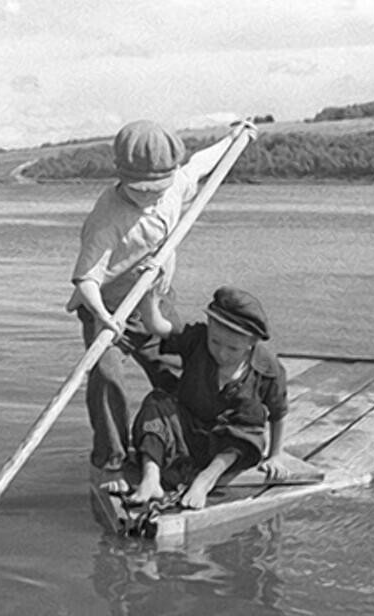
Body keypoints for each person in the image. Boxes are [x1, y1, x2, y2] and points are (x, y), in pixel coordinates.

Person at [68, 118, 257, 495]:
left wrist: (234, 138)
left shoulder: (174, 185)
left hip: (154, 298)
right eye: (142, 190)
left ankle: (185, 440)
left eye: (158, 187)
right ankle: (112, 460)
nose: (152, 195)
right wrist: (105, 320)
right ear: (122, 178)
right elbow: (86, 280)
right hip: (107, 308)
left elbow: (201, 165)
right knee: (106, 378)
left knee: (178, 369)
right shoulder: (106, 218)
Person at [126, 286, 293, 510]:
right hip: (188, 430)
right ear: (209, 327)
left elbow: (278, 412)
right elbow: (158, 327)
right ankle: (151, 476)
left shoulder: (268, 368)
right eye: (215, 342)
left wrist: (275, 455)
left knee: (248, 427)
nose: (222, 353)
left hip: (227, 444)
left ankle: (205, 481)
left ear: (251, 342)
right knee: (157, 403)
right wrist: (149, 299)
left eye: (233, 348)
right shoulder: (197, 339)